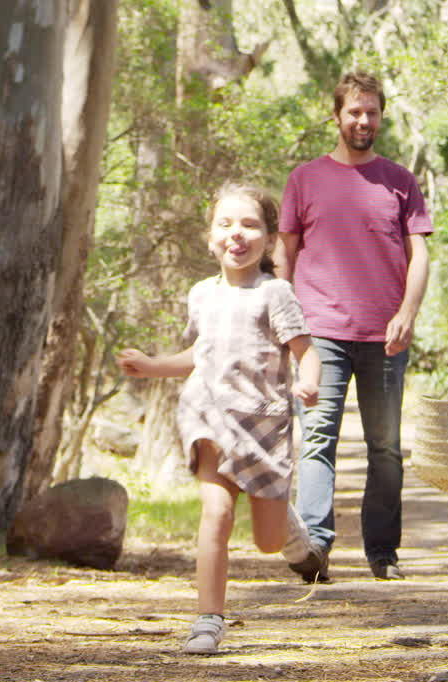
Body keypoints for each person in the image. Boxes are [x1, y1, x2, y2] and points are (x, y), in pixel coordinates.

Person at [117, 182, 322, 654]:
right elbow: (199, 355)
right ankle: (208, 619)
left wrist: (308, 382)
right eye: (225, 224)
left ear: (269, 239)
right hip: (208, 417)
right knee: (217, 513)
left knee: (268, 543)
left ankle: (289, 529)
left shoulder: (276, 294)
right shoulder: (201, 295)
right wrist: (153, 365)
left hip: (264, 426)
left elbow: (306, 352)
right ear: (210, 238)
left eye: (250, 224)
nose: (237, 234)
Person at [275, 70, 433, 582]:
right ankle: (315, 546)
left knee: (384, 445)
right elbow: (285, 254)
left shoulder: (400, 181)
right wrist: (285, 325)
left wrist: (407, 313)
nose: (363, 120)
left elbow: (420, 255)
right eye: (354, 112)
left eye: (372, 112)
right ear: (337, 116)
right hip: (320, 332)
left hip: (385, 335)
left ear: (380, 116)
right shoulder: (305, 179)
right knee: (317, 437)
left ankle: (382, 552)